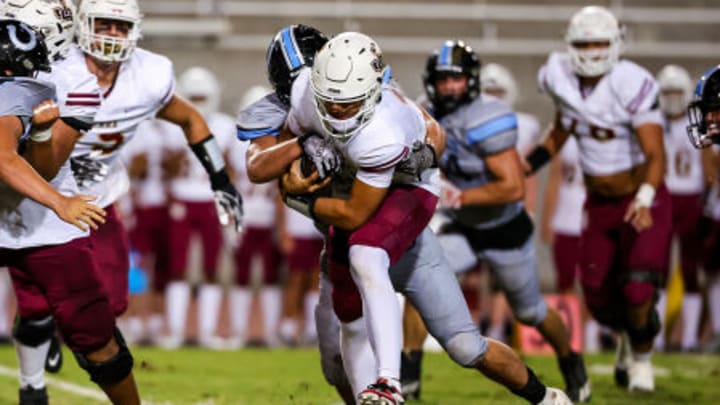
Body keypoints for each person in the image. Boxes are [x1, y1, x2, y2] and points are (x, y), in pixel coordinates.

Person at [283, 31, 573, 405]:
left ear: (371, 92)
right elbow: (275, 149)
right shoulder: (307, 97)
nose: (337, 111)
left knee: (466, 347)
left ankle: (544, 397)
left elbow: (358, 211)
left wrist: (298, 198)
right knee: (336, 355)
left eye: (349, 103)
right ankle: (375, 391)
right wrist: (290, 167)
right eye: (330, 101)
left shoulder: (383, 129)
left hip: (395, 224)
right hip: (357, 226)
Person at [400, 40, 590, 403]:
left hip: (504, 228)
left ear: (471, 80)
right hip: (463, 226)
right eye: (442, 79)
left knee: (530, 310)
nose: (449, 87)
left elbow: (513, 187)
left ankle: (571, 360)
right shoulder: (425, 113)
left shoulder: (489, 117)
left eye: (456, 79)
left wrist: (461, 196)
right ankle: (409, 372)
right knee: (421, 280)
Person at [525, 6, 671, 392]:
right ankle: (628, 336)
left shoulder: (631, 82)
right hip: (599, 203)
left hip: (641, 200)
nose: (590, 52)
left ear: (615, 44)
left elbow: (656, 154)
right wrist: (528, 164)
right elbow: (562, 128)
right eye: (584, 44)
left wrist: (644, 195)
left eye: (598, 43)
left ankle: (641, 359)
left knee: (639, 286)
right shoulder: (560, 77)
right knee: (597, 296)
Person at [0, 17, 141, 405]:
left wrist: (44, 138)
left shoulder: (65, 83)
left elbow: (28, 163)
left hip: (44, 222)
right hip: (37, 210)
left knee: (94, 334)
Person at [159, 66, 239, 349]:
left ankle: (207, 332)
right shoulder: (172, 125)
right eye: (193, 97)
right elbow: (166, 167)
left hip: (210, 199)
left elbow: (230, 168)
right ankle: (177, 331)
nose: (199, 104)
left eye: (203, 98)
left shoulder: (225, 125)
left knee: (212, 267)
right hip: (182, 197)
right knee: (177, 266)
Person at [654, 64, 712, 352]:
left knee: (690, 268)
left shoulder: (697, 121)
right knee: (659, 268)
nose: (673, 97)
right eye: (668, 92)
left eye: (677, 91)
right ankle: (658, 337)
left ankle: (689, 339)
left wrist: (707, 200)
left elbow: (707, 165)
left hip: (690, 199)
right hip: (663, 197)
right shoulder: (653, 122)